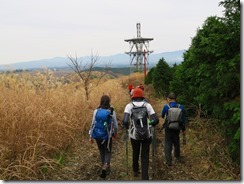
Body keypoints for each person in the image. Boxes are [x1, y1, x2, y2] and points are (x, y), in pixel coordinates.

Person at [122, 88, 159, 180]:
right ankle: (145, 177)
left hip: (134, 135)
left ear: (133, 96)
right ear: (142, 96)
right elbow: (156, 120)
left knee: (135, 152)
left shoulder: (129, 106)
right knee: (145, 155)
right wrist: (151, 123)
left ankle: (135, 170)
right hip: (147, 134)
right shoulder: (147, 105)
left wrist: (127, 128)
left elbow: (125, 121)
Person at [89, 95, 118, 179]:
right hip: (107, 135)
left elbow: (93, 123)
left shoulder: (96, 111)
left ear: (101, 101)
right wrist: (115, 133)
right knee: (108, 151)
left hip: (97, 134)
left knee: (101, 150)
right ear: (109, 102)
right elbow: (115, 124)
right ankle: (106, 166)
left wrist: (90, 135)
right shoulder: (111, 111)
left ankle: (103, 166)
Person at [161, 92, 186, 166]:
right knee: (176, 140)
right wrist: (183, 128)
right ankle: (177, 156)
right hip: (177, 126)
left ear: (168, 99)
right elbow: (183, 119)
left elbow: (162, 116)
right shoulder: (181, 107)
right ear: (176, 99)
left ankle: (168, 160)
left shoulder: (166, 107)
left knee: (168, 142)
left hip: (168, 127)